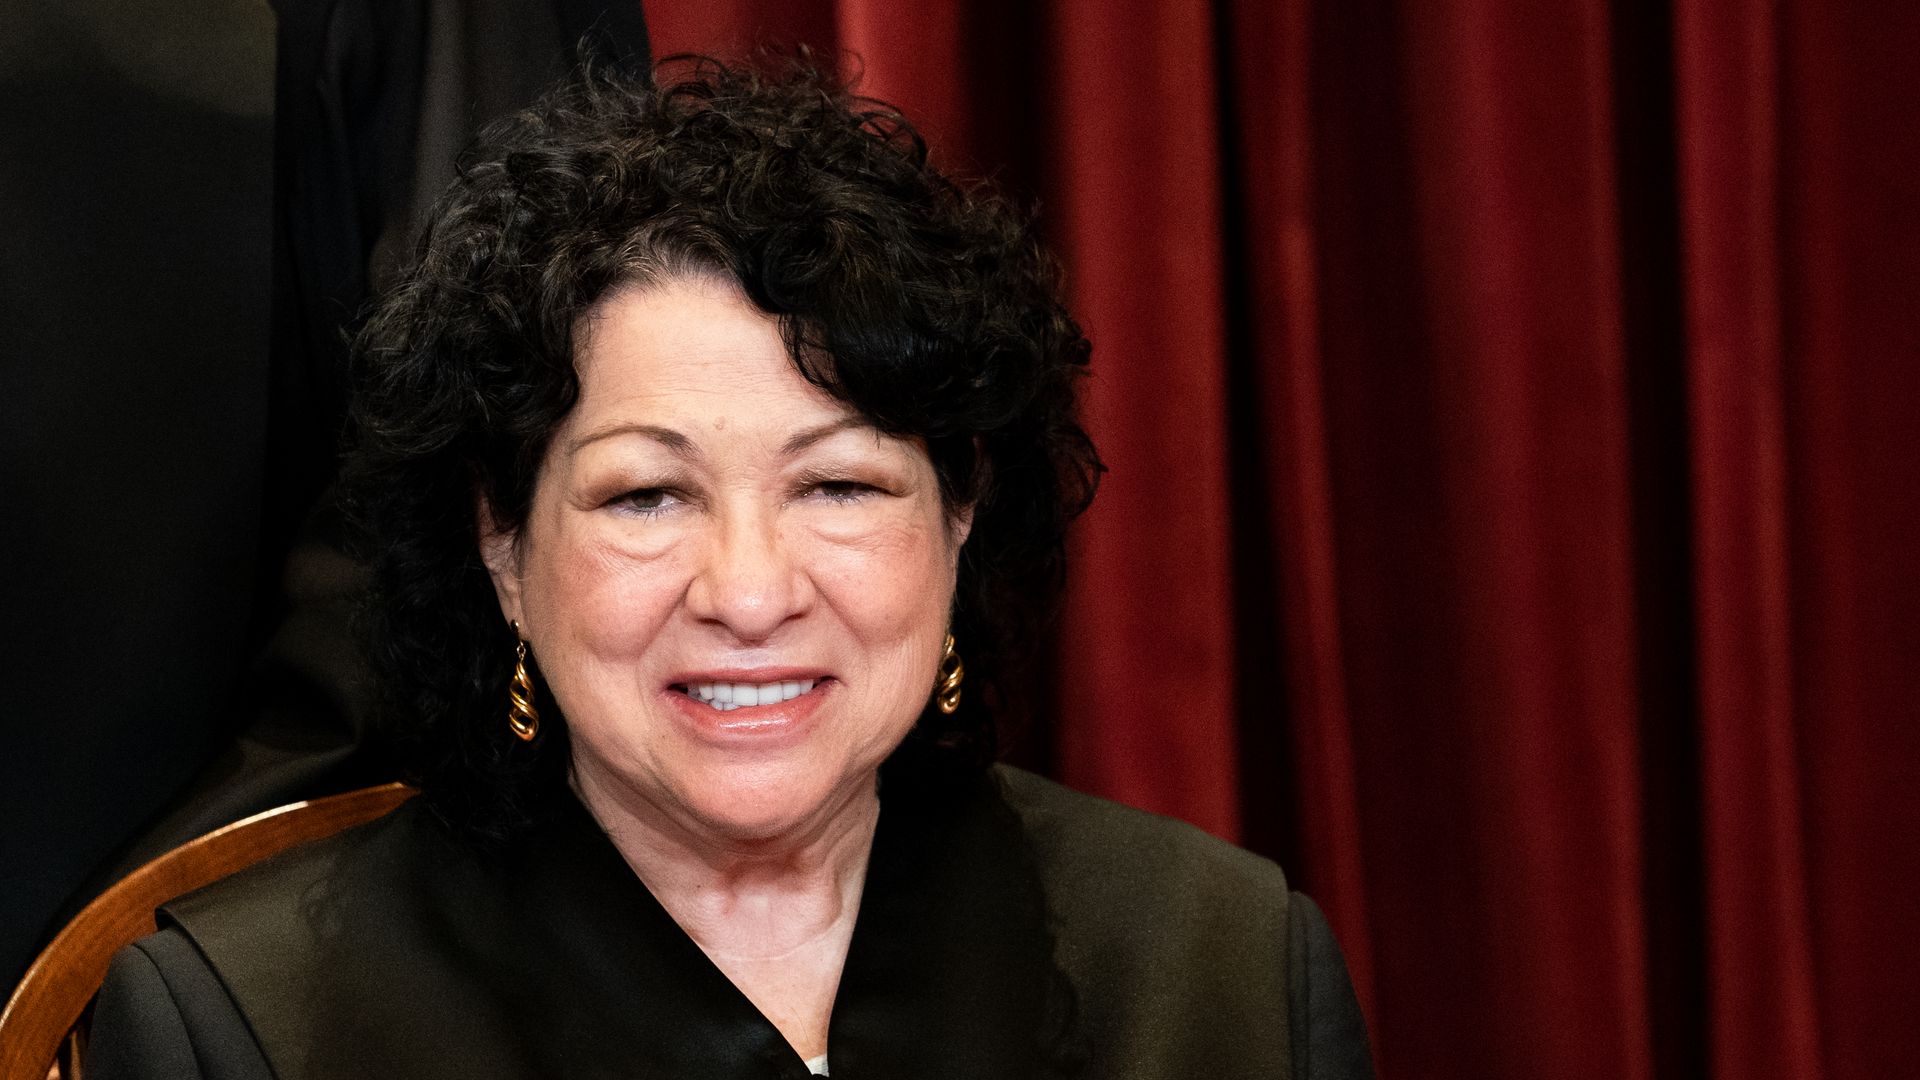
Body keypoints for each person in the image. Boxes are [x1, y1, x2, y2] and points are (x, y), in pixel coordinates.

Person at [86, 55, 1375, 1079]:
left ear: (962, 514)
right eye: (647, 495)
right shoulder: (240, 1029)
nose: (750, 593)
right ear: (502, 547)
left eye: (839, 484)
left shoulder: (1227, 969)